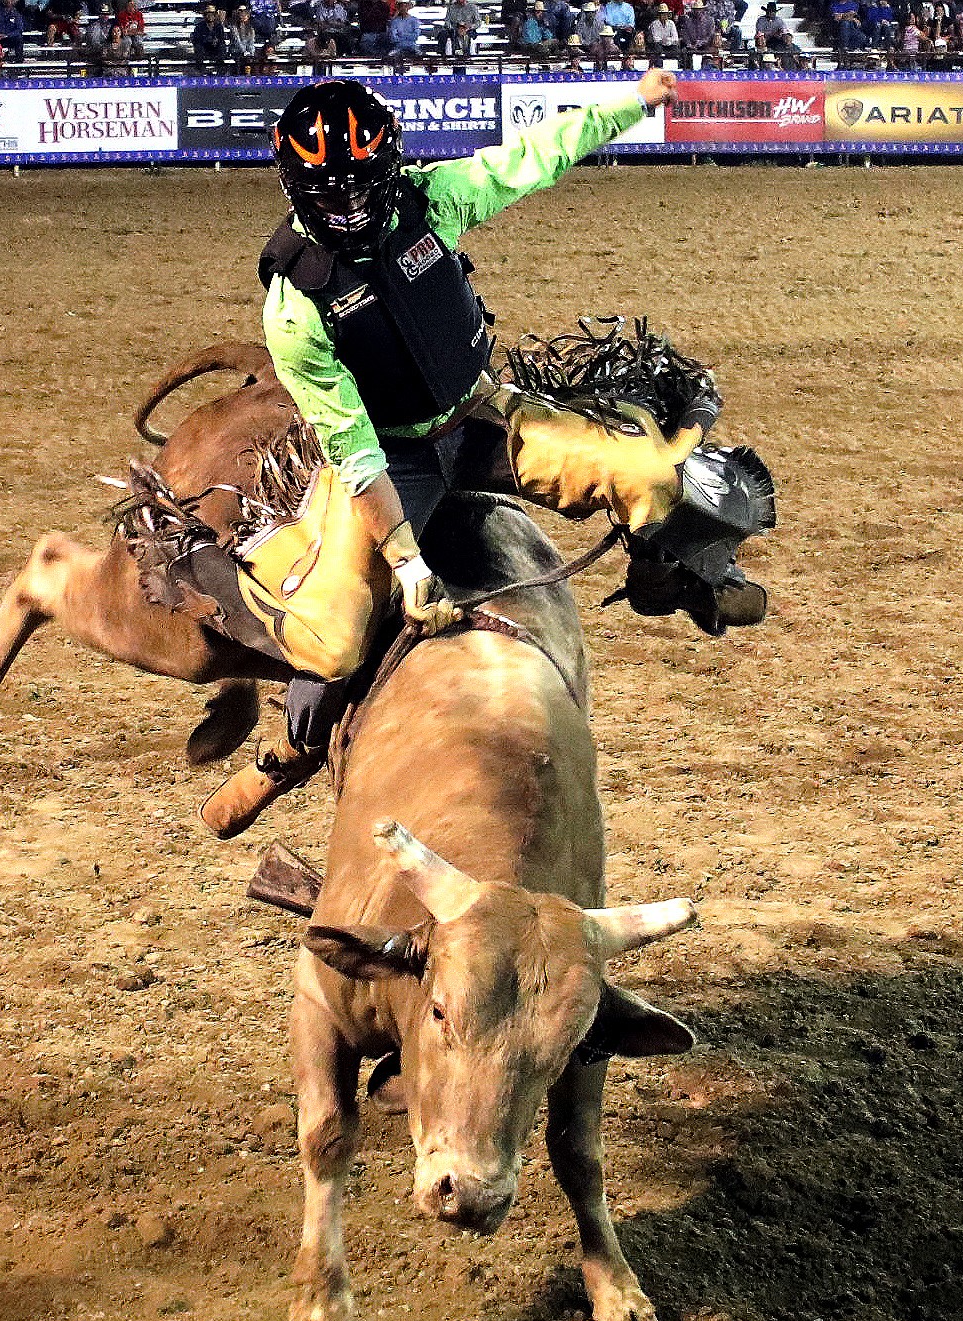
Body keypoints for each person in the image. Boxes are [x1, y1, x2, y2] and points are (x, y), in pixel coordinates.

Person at [204, 72, 766, 835]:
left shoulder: (433, 199)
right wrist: (406, 561)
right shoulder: (295, 304)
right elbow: (352, 445)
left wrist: (633, 99)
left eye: (361, 189)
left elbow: (535, 155)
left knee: (646, 471)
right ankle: (286, 755)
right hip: (391, 457)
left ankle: (680, 579)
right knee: (333, 639)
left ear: (392, 171)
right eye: (327, 194)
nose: (347, 208)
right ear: (296, 187)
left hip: (482, 415)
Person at [191, 2, 229, 67]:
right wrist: (208, 40)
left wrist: (216, 41)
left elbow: (221, 38)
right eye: (208, 13)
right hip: (204, 49)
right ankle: (201, 71)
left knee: (222, 46)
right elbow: (196, 40)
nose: (210, 15)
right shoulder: (199, 26)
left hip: (215, 49)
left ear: (215, 15)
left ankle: (220, 69)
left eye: (212, 13)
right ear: (204, 15)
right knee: (198, 47)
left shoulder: (219, 26)